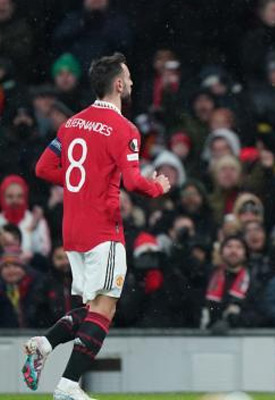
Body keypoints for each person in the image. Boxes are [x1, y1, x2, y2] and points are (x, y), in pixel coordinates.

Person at [26, 52, 171, 400]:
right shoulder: (125, 129)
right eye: (129, 77)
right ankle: (68, 385)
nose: (132, 82)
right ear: (118, 84)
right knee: (105, 310)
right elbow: (133, 182)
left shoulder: (72, 123)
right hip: (103, 229)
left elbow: (43, 169)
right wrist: (158, 187)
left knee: (95, 308)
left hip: (72, 230)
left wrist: (83, 184)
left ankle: (45, 344)